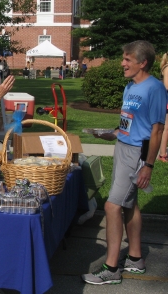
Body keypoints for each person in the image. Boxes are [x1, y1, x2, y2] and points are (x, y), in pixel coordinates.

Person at [82, 40, 167, 285]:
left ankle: (111, 269)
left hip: (137, 154)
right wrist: (112, 133)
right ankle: (136, 259)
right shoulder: (130, 87)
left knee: (111, 206)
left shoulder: (155, 89)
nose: (122, 63)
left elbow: (157, 131)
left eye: (128, 59)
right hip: (122, 147)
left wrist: (148, 166)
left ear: (143, 62)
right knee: (129, 205)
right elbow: (128, 124)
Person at [157, 53, 168, 162]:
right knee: (166, 129)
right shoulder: (167, 68)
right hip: (166, 101)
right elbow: (167, 86)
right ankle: (162, 154)